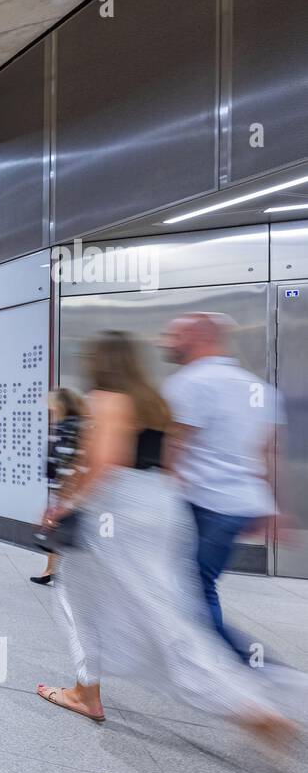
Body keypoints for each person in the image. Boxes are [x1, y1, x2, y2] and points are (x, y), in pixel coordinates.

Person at [36, 331, 292, 747]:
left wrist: (63, 505)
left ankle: (87, 691)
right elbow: (176, 462)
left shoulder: (107, 399)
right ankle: (246, 701)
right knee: (166, 610)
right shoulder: (155, 402)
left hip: (118, 510)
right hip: (163, 506)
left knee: (72, 595)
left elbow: (104, 462)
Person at [161, 312, 282, 657]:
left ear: (199, 337)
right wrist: (270, 505)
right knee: (198, 583)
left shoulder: (189, 382)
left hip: (202, 502)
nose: (166, 342)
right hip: (241, 503)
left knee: (192, 587)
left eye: (174, 336)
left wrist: (161, 494)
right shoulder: (257, 387)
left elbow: (175, 447)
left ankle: (239, 665)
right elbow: (266, 452)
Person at [31, 387, 86, 586]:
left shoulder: (68, 426)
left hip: (66, 487)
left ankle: (55, 570)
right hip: (66, 486)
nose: (50, 409)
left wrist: (61, 493)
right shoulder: (76, 424)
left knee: (60, 527)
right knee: (58, 528)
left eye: (52, 405)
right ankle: (51, 569)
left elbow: (66, 459)